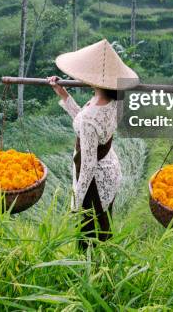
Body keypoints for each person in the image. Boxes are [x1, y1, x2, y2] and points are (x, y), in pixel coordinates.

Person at [47, 38, 139, 250]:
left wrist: (76, 203)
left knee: (89, 234)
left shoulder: (91, 115)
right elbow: (87, 123)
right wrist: (64, 95)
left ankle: (91, 272)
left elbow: (87, 165)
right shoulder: (117, 101)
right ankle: (103, 265)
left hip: (95, 179)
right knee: (102, 225)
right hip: (109, 169)